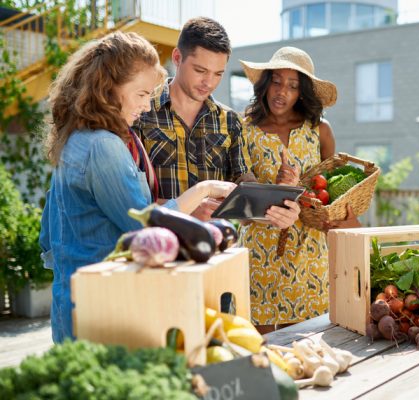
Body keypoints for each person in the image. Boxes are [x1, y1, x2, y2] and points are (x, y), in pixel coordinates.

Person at [39, 32, 240, 343]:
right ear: (108, 89)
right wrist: (204, 189)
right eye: (142, 94)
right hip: (105, 307)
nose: (147, 106)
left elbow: (48, 236)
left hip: (74, 300)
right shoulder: (103, 146)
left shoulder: (78, 139)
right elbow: (141, 222)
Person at [132, 17, 300, 226]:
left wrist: (277, 209)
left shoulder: (230, 122)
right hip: (158, 247)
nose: (209, 83)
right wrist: (186, 210)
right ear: (177, 57)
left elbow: (245, 202)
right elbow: (127, 202)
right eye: (200, 71)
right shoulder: (140, 112)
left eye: (218, 74)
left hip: (216, 250)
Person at [238, 47, 360, 333]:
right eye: (277, 81)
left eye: (293, 86)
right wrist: (277, 189)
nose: (282, 92)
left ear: (301, 92)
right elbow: (242, 201)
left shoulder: (320, 130)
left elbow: (329, 193)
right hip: (260, 253)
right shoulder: (244, 130)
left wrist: (300, 190)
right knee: (260, 349)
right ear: (266, 83)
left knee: (308, 347)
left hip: (309, 254)